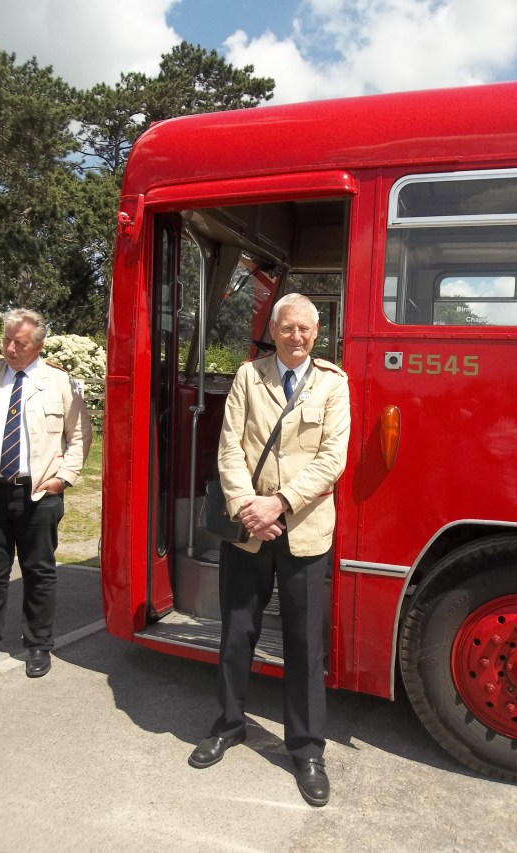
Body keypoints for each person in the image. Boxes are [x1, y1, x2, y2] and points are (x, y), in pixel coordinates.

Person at [189, 293, 351, 807]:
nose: (296, 337)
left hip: (303, 530)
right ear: (274, 329)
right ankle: (229, 723)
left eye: (305, 329)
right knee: (238, 630)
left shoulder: (334, 383)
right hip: (249, 527)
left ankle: (305, 750)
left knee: (304, 645)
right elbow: (229, 446)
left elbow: (333, 458)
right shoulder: (247, 376)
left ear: (316, 332)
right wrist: (245, 505)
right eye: (288, 328)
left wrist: (278, 503)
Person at [0, 308, 92, 680]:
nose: (10, 348)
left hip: (38, 494)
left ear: (38, 344)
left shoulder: (59, 382)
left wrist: (64, 478)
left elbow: (79, 436)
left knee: (39, 572)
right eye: (6, 340)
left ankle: (39, 645)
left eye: (19, 342)